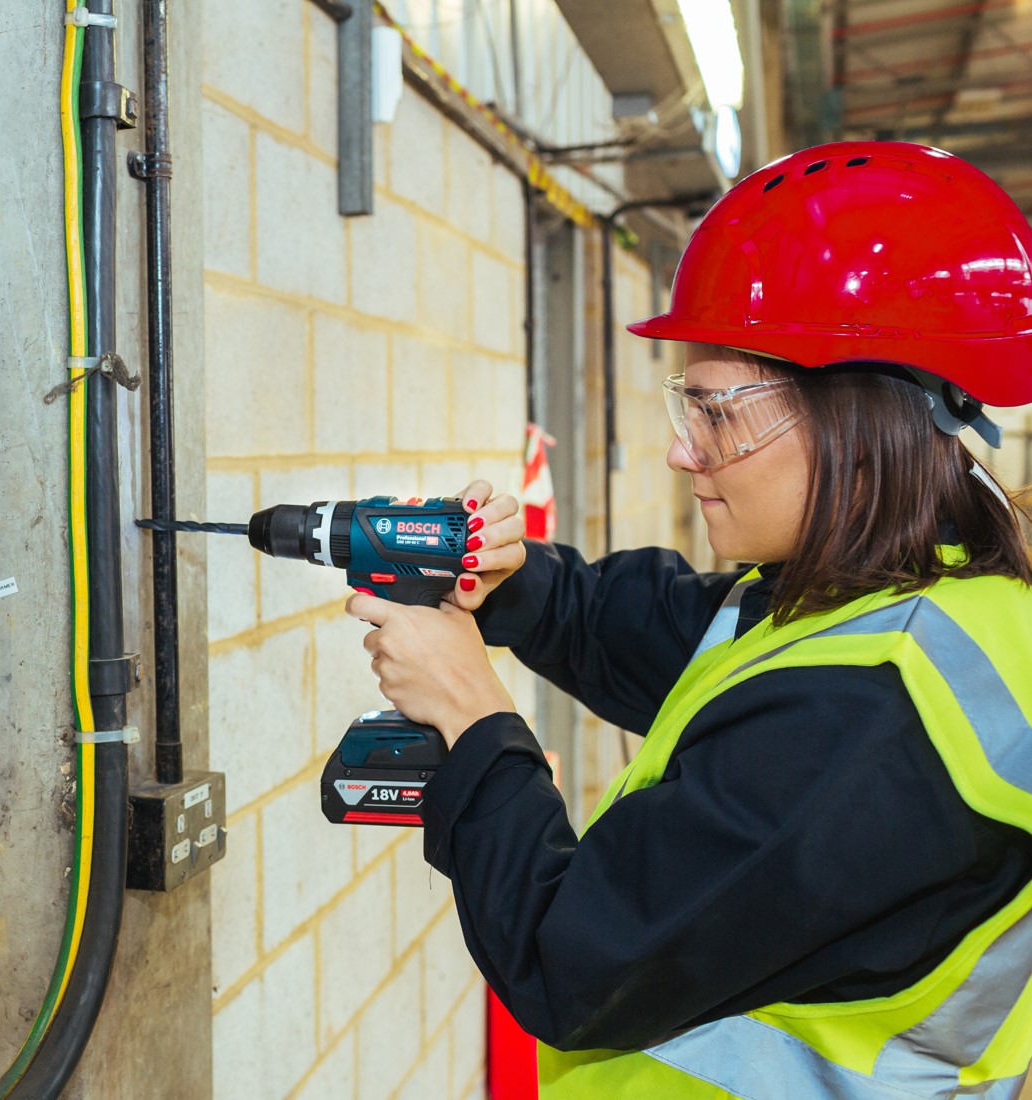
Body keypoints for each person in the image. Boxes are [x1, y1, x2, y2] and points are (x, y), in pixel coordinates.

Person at [347, 141, 1032, 1099]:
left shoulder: (876, 716)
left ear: (860, 424)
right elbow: (658, 631)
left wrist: (470, 712)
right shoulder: (906, 595)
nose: (681, 450)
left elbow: (568, 957)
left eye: (716, 412)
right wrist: (505, 577)